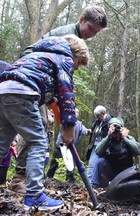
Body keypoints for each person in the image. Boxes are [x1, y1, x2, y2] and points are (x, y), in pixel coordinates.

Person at [9, 5, 108, 194]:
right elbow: (64, 83)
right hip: (29, 81)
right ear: (81, 19)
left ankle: (28, 178)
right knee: (39, 127)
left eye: (96, 32)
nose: (92, 34)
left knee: (18, 130)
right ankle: (20, 178)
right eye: (90, 28)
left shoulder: (76, 39)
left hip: (25, 82)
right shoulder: (66, 38)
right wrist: (68, 119)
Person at [0, 34, 90, 210]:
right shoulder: (64, 57)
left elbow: (39, 79)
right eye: (78, 63)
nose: (76, 68)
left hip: (3, 89)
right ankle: (34, 196)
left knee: (1, 144)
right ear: (74, 54)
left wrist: (48, 96)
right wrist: (69, 124)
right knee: (38, 142)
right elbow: (66, 93)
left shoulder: (37, 55)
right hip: (23, 92)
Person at [91, 117, 140, 188]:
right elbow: (98, 152)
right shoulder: (107, 139)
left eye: (118, 128)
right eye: (113, 128)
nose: (116, 131)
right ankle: (93, 186)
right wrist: (108, 137)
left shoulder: (128, 138)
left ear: (122, 129)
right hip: (111, 172)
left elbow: (138, 151)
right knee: (99, 161)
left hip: (125, 173)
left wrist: (124, 138)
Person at [46, 108, 91, 183]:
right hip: (61, 145)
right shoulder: (66, 120)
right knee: (55, 162)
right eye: (75, 112)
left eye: (77, 112)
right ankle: (49, 177)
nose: (76, 113)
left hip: (71, 147)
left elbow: (85, 132)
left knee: (71, 163)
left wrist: (90, 131)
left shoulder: (79, 124)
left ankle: (70, 180)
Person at [86, 105, 111, 182]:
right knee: (91, 165)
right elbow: (92, 130)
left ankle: (102, 183)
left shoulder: (110, 121)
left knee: (103, 165)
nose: (97, 117)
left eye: (98, 115)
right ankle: (89, 183)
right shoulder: (97, 122)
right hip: (95, 146)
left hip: (104, 147)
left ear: (103, 113)